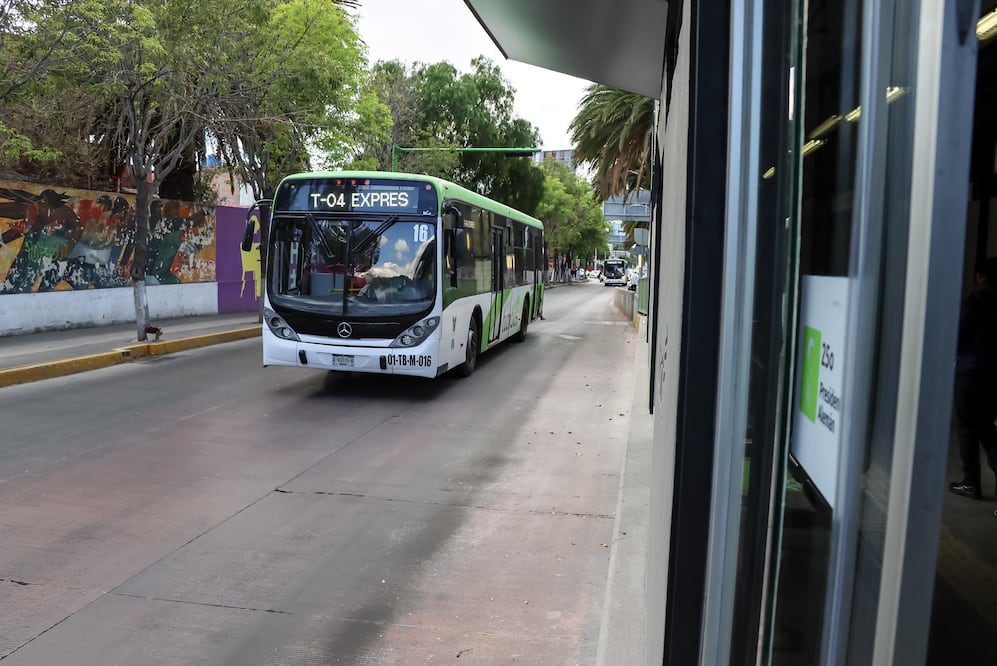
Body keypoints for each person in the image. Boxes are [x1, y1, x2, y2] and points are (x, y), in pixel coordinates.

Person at [949, 257, 997, 499]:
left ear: (981, 277)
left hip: (969, 375)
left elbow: (956, 338)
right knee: (987, 427)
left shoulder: (971, 304)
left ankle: (971, 483)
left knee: (967, 428)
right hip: (994, 377)